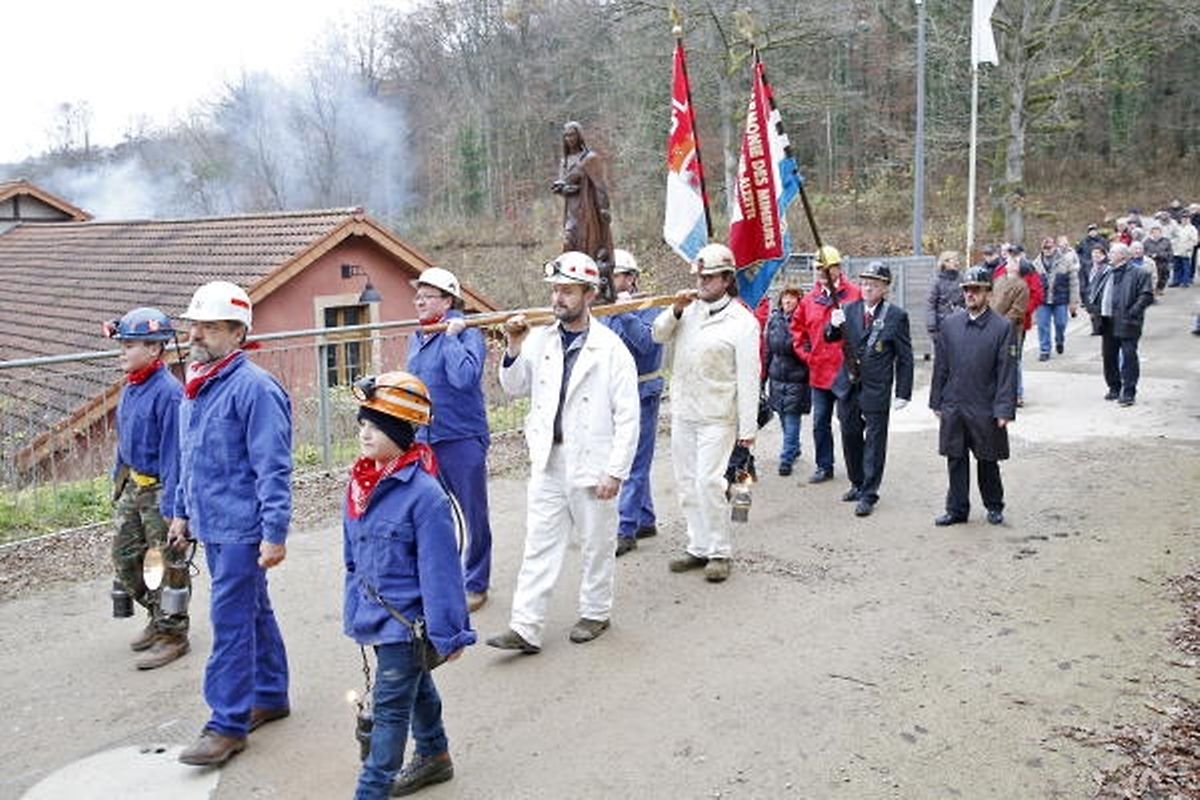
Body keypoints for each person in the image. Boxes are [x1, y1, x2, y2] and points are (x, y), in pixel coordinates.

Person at [487, 252, 638, 653]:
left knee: (596, 541)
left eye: (568, 291)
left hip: (593, 460)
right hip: (549, 459)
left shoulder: (611, 349)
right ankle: (526, 625)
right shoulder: (539, 340)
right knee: (538, 543)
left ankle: (595, 611)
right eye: (555, 290)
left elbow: (629, 416)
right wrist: (514, 347)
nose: (559, 298)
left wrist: (616, 471)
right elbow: (515, 386)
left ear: (589, 294)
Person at [171, 281, 293, 767]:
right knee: (253, 611)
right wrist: (181, 510)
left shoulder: (255, 389)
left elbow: (273, 467)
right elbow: (188, 456)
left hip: (241, 528)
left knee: (231, 622)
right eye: (195, 324)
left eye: (211, 326)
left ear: (239, 333)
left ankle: (226, 723)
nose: (197, 333)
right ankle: (270, 694)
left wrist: (274, 533)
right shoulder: (198, 382)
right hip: (210, 521)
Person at [343, 371, 475, 799]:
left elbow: (442, 574)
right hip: (376, 619)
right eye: (362, 422)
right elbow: (352, 556)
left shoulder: (426, 497)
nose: (365, 433)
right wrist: (355, 610)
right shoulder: (360, 485)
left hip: (407, 625)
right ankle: (435, 754)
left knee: (389, 709)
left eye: (375, 425)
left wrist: (450, 633)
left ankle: (372, 788)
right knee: (416, 685)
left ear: (401, 430)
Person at [653, 242, 760, 583]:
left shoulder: (742, 321)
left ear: (727, 280)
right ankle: (697, 545)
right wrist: (676, 310)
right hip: (684, 410)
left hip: (718, 413)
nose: (702, 283)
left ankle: (719, 551)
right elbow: (657, 334)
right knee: (686, 483)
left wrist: (748, 429)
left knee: (709, 483)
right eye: (700, 277)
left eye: (710, 278)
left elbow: (749, 377)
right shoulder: (689, 311)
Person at [105, 306, 190, 670]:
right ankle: (156, 617)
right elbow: (125, 440)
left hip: (160, 493)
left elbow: (175, 455)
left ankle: (173, 633)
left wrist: (176, 510)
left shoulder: (169, 394)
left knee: (167, 564)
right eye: (121, 343)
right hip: (132, 487)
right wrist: (117, 479)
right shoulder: (132, 385)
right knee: (126, 558)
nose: (121, 351)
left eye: (129, 344)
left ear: (154, 349)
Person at [406, 267, 493, 612]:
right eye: (417, 296)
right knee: (433, 514)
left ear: (448, 300)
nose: (419, 301)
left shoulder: (466, 333)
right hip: (426, 438)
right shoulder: (418, 336)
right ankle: (443, 579)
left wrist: (453, 339)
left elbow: (463, 379)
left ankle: (477, 582)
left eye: (427, 296)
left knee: (474, 514)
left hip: (461, 437)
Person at [930, 266, 1018, 527]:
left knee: (987, 458)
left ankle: (993, 505)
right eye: (967, 289)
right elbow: (941, 366)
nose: (970, 294)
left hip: (985, 404)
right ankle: (956, 508)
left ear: (988, 293)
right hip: (954, 403)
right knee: (955, 458)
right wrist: (937, 400)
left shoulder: (1002, 327)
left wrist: (1004, 408)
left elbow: (1007, 371)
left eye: (976, 289)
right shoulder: (950, 325)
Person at [824, 262, 914, 517]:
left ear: (885, 288)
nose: (867, 288)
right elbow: (830, 338)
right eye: (864, 283)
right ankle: (857, 481)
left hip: (876, 387)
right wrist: (832, 324)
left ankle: (869, 492)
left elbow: (904, 357)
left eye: (874, 284)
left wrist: (903, 392)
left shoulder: (895, 316)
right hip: (849, 384)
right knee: (850, 434)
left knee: (875, 440)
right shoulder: (849, 309)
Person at [602, 248, 665, 557]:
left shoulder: (648, 306)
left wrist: (625, 313)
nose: (613, 281)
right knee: (630, 457)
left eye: (618, 275)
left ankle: (626, 528)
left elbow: (647, 344)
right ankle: (646, 518)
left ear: (631, 278)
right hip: (614, 395)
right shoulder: (603, 309)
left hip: (642, 391)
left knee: (633, 462)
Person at [790, 245, 861, 483]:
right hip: (819, 372)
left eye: (827, 268)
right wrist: (808, 356)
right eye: (819, 268)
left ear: (838, 268)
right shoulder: (810, 300)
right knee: (820, 422)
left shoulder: (855, 294)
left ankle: (857, 469)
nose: (822, 272)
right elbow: (798, 332)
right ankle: (824, 465)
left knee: (850, 424)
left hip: (846, 372)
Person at [1084, 243, 1154, 406]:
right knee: (1109, 356)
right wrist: (1093, 309)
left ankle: (1129, 392)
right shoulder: (1106, 271)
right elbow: (1093, 290)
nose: (1109, 254)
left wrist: (1133, 312)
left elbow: (1146, 295)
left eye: (1113, 252)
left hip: (1128, 321)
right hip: (1107, 320)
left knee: (1129, 356)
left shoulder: (1139, 273)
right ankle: (1114, 387)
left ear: (1123, 255)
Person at [552, 122, 614, 269]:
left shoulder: (589, 158)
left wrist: (604, 208)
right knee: (568, 242)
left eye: (572, 134)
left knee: (588, 247)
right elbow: (563, 183)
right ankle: (570, 277)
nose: (569, 138)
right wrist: (562, 189)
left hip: (587, 211)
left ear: (579, 136)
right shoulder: (564, 161)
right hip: (570, 212)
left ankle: (589, 280)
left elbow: (600, 185)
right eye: (566, 135)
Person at [764, 286, 810, 477]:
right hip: (777, 376)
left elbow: (807, 347)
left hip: (797, 377)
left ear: (799, 301)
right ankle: (794, 447)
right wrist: (763, 376)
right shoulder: (774, 319)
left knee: (792, 417)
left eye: (792, 299)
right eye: (785, 298)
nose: (788, 302)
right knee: (782, 416)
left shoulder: (803, 320)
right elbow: (768, 349)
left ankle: (786, 458)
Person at [989, 249, 1030, 406]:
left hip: (1010, 330)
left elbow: (1017, 311)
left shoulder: (1022, 286)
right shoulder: (999, 280)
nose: (1008, 262)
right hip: (992, 325)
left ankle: (1017, 393)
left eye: (1013, 261)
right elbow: (991, 299)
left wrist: (1000, 323)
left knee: (1012, 361)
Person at [1032, 237, 1080, 360]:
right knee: (1043, 325)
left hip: (1061, 299)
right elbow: (1032, 285)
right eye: (1045, 248)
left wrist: (1073, 302)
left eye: (1049, 247)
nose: (1047, 250)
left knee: (1061, 323)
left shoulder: (1066, 261)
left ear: (1055, 247)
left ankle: (1059, 340)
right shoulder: (1035, 264)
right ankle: (1045, 350)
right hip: (1042, 301)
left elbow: (1074, 282)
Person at [925, 250, 964, 346]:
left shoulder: (962, 278)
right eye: (954, 260)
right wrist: (931, 327)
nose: (957, 263)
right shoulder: (936, 281)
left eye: (957, 260)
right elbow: (930, 304)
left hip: (960, 323)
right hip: (942, 325)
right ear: (945, 262)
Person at [1169, 210, 1198, 288]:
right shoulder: (1177, 228)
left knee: (1186, 267)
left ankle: (1185, 281)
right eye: (1183, 218)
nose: (1184, 219)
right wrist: (1173, 244)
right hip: (1177, 250)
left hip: (1186, 251)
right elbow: (1172, 237)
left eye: (1186, 218)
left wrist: (1188, 247)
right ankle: (1176, 281)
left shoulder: (1192, 228)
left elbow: (1195, 240)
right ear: (1180, 219)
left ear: (1189, 219)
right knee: (1176, 267)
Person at [1145, 222, 1174, 296]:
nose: (1156, 234)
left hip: (1163, 262)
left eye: (1157, 232)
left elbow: (1170, 252)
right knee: (1153, 277)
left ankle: (1160, 289)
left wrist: (1160, 255)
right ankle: (1153, 290)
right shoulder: (1147, 241)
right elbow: (1144, 252)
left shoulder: (1166, 241)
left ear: (1160, 233)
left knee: (1163, 276)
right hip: (1151, 262)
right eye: (1154, 232)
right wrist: (1150, 255)